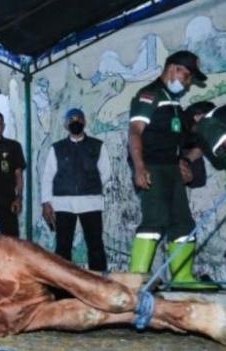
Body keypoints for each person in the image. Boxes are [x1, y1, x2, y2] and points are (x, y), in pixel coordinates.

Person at [126, 50, 216, 290]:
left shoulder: (173, 102)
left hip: (172, 169)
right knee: (155, 220)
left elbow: (173, 140)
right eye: (186, 76)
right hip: (153, 167)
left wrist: (183, 162)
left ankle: (183, 277)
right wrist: (139, 167)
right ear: (173, 69)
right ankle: (136, 279)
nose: (187, 84)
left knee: (182, 224)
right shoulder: (149, 95)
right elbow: (135, 132)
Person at [40, 108, 111, 272]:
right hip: (63, 204)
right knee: (63, 247)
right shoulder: (56, 148)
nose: (75, 122)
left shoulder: (97, 146)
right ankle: (62, 289)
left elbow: (105, 172)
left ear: (84, 122)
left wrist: (90, 185)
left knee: (95, 246)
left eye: (79, 118)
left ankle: (99, 284)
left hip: (91, 203)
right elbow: (48, 175)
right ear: (66, 124)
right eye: (71, 119)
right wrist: (46, 202)